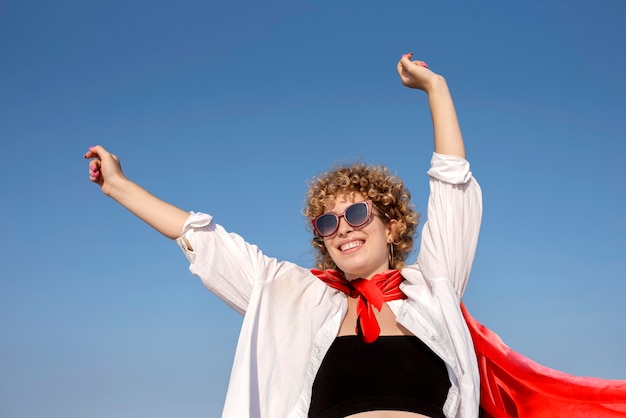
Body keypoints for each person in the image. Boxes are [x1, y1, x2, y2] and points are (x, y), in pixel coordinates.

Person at [84, 52, 483, 417]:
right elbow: (206, 242)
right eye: (328, 223)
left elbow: (453, 190)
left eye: (357, 214)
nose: (343, 227)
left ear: (392, 225)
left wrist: (436, 89)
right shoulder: (294, 297)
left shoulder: (434, 289)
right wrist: (119, 186)